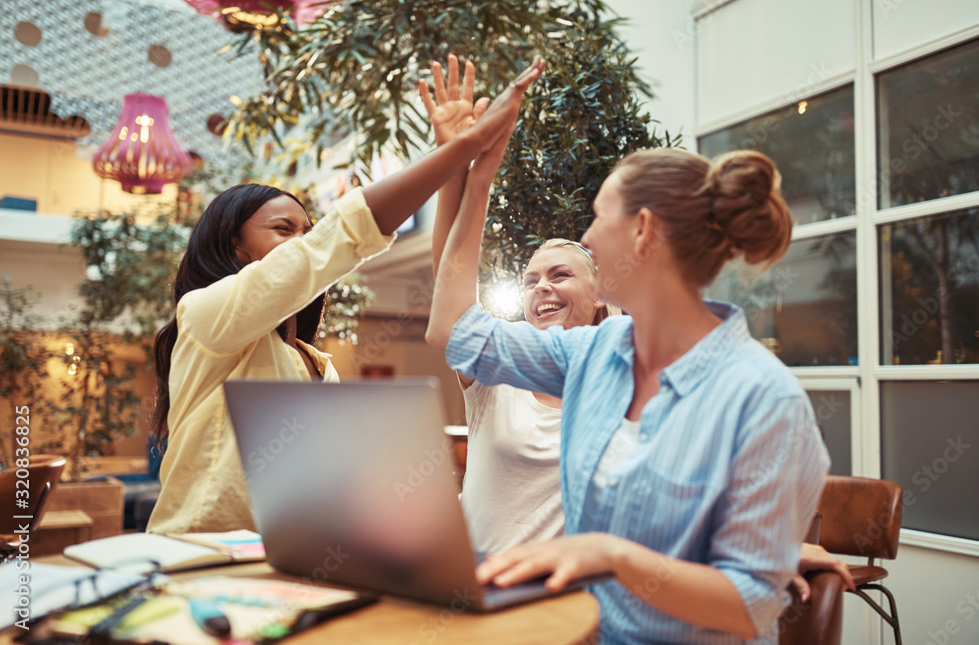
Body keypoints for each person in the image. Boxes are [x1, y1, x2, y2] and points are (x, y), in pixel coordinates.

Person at [427, 141, 834, 642]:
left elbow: (750, 605)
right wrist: (477, 176)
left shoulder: (765, 400)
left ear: (642, 230)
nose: (588, 236)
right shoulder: (593, 353)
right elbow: (452, 333)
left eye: (599, 216)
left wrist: (610, 556)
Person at [145, 55, 546, 534]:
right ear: (235, 247)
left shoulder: (316, 365)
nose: (300, 241)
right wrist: (459, 153)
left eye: (306, 230)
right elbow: (333, 242)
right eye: (282, 230)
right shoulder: (206, 315)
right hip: (196, 560)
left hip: (278, 567)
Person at [420, 55, 613, 553]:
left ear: (601, 297)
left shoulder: (624, 371)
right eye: (530, 281)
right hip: (476, 593)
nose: (541, 287)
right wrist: (455, 162)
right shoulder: (500, 369)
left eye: (560, 275)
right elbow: (449, 284)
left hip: (566, 608)